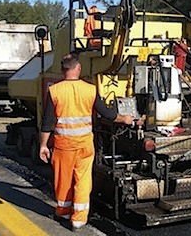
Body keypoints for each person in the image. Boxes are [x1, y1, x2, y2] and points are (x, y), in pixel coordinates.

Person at [39, 52, 136, 231]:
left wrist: (43, 145)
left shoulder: (55, 91)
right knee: (83, 181)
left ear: (62, 71)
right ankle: (79, 219)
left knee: (63, 181)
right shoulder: (90, 89)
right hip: (85, 145)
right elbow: (106, 113)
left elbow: (47, 122)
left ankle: (63, 212)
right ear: (78, 68)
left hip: (64, 146)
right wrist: (125, 119)